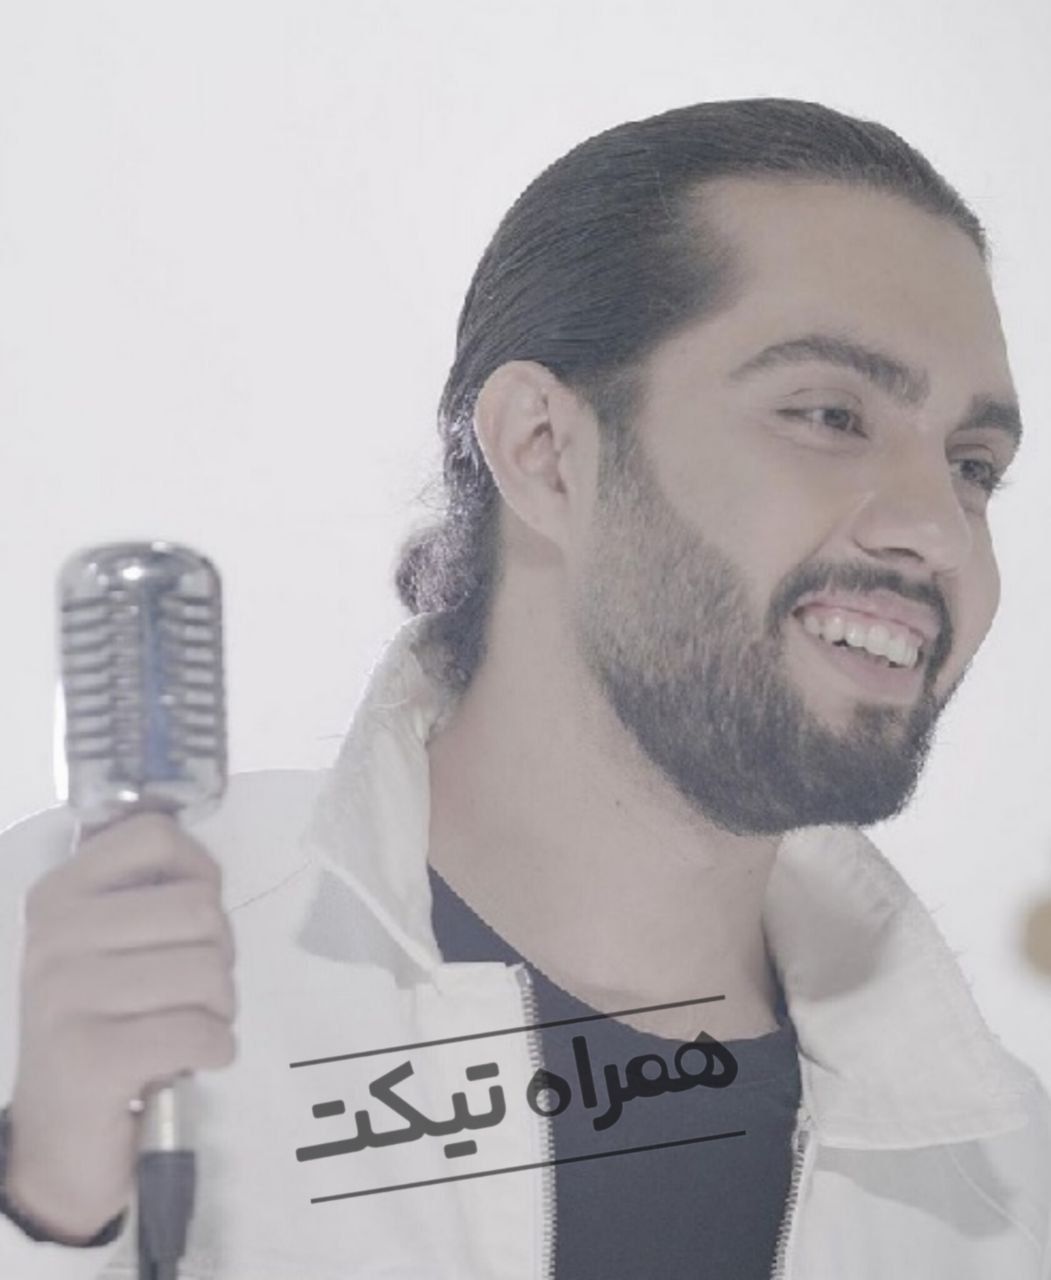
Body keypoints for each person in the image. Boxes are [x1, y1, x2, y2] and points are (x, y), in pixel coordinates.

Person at [0, 97, 1048, 1278]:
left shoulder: (1007, 1187)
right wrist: (47, 1205)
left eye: (973, 467)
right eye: (828, 414)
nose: (936, 529)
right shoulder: (52, 964)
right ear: (546, 449)